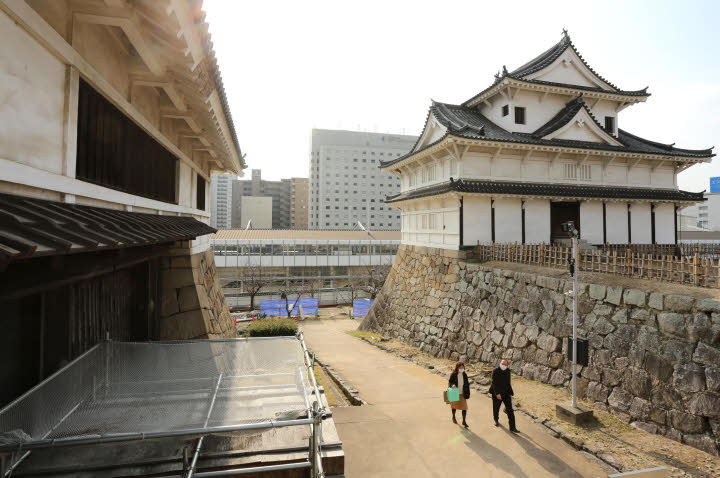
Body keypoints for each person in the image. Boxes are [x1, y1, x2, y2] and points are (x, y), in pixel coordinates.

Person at [489, 359, 518, 433]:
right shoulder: (495, 371)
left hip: (506, 393)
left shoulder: (508, 371)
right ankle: (496, 419)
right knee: (496, 408)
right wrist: (497, 394)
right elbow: (494, 383)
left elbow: (508, 382)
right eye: (502, 364)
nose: (503, 365)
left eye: (505, 364)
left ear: (507, 365)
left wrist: (510, 392)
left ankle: (512, 427)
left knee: (510, 410)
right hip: (497, 393)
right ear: (499, 363)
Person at [448, 361, 470, 428]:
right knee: (454, 406)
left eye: (462, 367)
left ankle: (464, 421)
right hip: (455, 392)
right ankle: (454, 417)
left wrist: (466, 390)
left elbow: (467, 383)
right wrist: (453, 385)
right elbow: (450, 382)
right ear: (457, 368)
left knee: (464, 408)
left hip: (462, 393)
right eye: (460, 367)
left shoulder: (464, 374)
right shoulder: (453, 374)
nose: (461, 368)